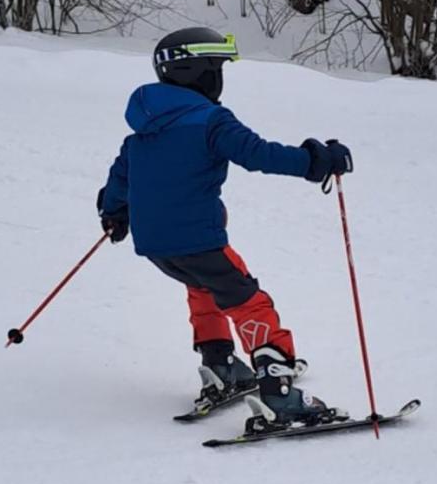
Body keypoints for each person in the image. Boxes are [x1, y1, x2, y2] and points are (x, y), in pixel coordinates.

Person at [96, 27, 353, 429]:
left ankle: (220, 368)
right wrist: (314, 161)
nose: (220, 78)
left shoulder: (143, 130)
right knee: (249, 300)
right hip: (200, 239)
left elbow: (119, 180)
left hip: (156, 247)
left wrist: (113, 214)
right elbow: (259, 154)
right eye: (216, 68)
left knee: (204, 291)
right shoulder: (211, 121)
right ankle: (278, 392)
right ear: (197, 73)